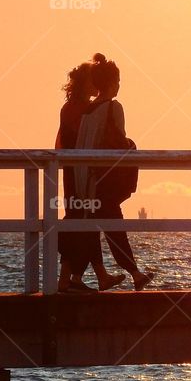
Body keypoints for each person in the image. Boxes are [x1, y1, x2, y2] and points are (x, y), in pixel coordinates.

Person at [76, 53, 155, 291]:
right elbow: (118, 141)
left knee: (93, 227)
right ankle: (134, 273)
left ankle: (119, 274)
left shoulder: (87, 111)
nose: (119, 85)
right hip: (104, 179)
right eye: (118, 81)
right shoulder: (113, 107)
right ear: (111, 83)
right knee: (115, 227)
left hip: (86, 180)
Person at [55, 61, 126, 293]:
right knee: (80, 220)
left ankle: (73, 279)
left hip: (77, 171)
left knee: (83, 221)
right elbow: (80, 141)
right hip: (77, 173)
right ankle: (72, 279)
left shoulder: (81, 108)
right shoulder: (79, 110)